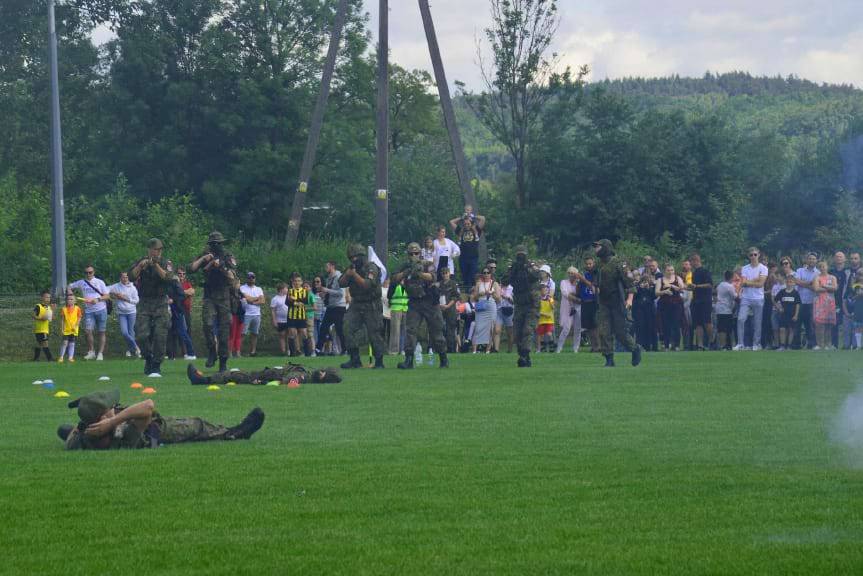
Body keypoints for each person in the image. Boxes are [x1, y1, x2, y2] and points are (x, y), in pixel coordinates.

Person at [59, 389, 264, 450]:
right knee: (196, 426)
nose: (114, 409)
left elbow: (73, 435)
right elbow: (148, 406)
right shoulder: (123, 436)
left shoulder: (80, 438)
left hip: (106, 427)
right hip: (152, 434)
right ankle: (235, 433)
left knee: (64, 429)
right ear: (102, 420)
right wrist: (112, 422)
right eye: (110, 409)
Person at [188, 231, 238, 372]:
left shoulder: (227, 256)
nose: (215, 246)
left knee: (224, 331)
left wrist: (221, 266)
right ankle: (211, 351)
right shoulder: (205, 254)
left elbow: (232, 275)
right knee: (208, 324)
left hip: (223, 296)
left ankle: (223, 362)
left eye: (218, 244)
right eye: (213, 244)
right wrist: (205, 258)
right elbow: (191, 268)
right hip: (209, 295)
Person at [393, 242, 448, 368]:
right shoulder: (404, 265)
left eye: (416, 253)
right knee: (410, 330)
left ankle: (443, 358)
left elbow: (433, 277)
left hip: (429, 301)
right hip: (414, 302)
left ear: (420, 253)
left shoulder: (426, 264)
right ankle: (409, 360)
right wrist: (405, 273)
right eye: (411, 253)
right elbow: (394, 278)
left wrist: (420, 273)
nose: (414, 255)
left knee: (436, 330)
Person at [592, 239, 641, 367]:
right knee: (604, 331)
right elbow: (596, 282)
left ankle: (635, 349)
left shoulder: (618, 263)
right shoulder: (598, 265)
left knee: (620, 332)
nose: (595, 249)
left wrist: (629, 300)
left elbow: (629, 283)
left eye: (598, 246)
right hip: (603, 302)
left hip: (617, 302)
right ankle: (609, 359)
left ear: (606, 248)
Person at [128, 238, 174, 377]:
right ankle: (148, 357)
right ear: (149, 250)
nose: (158, 252)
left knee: (160, 335)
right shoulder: (141, 261)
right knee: (141, 334)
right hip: (145, 302)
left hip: (160, 302)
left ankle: (156, 364)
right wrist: (141, 266)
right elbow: (130, 277)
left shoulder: (166, 263)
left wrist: (155, 265)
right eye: (155, 250)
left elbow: (168, 277)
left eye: (160, 250)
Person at [340, 244, 386, 369]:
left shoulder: (371, 268)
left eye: (355, 257)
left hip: (371, 304)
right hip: (357, 303)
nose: (353, 260)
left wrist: (354, 275)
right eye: (351, 258)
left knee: (374, 332)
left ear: (362, 256)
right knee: (347, 327)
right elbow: (341, 283)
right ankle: (354, 359)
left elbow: (367, 285)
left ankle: (379, 361)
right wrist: (348, 274)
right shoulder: (352, 268)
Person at [502, 245, 541, 367]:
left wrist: (526, 268)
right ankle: (524, 355)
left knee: (528, 330)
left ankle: (524, 354)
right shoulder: (514, 267)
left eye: (522, 254)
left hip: (531, 303)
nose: (520, 257)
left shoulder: (530, 265)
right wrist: (513, 271)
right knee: (517, 332)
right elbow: (504, 281)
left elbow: (536, 275)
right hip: (519, 303)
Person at [69, 265, 109, 360]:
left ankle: (100, 353)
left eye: (90, 272)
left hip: (101, 309)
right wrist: (71, 295)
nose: (88, 274)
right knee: (88, 331)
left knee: (101, 332)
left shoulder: (99, 282)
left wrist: (98, 299)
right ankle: (91, 352)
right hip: (88, 311)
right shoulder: (81, 282)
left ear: (93, 272)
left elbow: (107, 296)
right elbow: (69, 286)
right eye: (86, 272)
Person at [188, 362, 342, 386]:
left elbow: (288, 379)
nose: (321, 371)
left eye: (323, 372)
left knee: (233, 374)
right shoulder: (308, 374)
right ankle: (203, 378)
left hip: (263, 377)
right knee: (234, 373)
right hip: (265, 375)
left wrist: (263, 383)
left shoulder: (304, 376)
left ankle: (202, 380)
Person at [734, 247, 768, 351]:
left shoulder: (764, 268)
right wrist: (755, 280)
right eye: (751, 255)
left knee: (757, 322)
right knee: (740, 319)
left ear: (759, 255)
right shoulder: (745, 268)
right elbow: (744, 283)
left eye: (755, 254)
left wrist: (749, 282)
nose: (753, 256)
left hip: (758, 298)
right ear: (748, 256)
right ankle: (740, 343)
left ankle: (756, 344)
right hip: (746, 297)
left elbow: (760, 284)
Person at [316, 261, 347, 356]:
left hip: (339, 306)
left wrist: (327, 290)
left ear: (332, 266)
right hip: (331, 306)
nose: (325, 268)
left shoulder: (339, 277)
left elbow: (341, 293)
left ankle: (345, 349)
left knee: (339, 329)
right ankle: (318, 349)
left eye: (327, 266)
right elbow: (331, 292)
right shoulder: (329, 278)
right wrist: (324, 295)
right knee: (324, 327)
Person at [109, 271, 140, 358]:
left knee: (131, 332)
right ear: (120, 278)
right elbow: (106, 289)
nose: (125, 279)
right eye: (123, 277)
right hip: (121, 313)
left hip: (131, 312)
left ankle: (130, 350)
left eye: (126, 277)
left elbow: (136, 301)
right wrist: (114, 295)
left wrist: (126, 299)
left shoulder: (132, 288)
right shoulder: (116, 286)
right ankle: (136, 347)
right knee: (124, 332)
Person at [655, 264, 686, 351]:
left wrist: (671, 286)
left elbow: (682, 288)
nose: (670, 272)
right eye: (668, 270)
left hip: (676, 304)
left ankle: (676, 345)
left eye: (672, 270)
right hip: (664, 305)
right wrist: (665, 291)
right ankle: (666, 344)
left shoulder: (677, 278)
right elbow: (656, 292)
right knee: (666, 325)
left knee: (676, 324)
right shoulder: (660, 280)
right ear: (665, 271)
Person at [470, 266, 500, 354]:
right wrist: (481, 293)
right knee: (478, 327)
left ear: (491, 274)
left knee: (491, 328)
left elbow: (498, 299)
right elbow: (474, 297)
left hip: (491, 305)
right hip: (481, 305)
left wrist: (492, 293)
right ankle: (474, 350)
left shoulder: (495, 284)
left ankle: (488, 349)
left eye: (488, 273)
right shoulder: (479, 283)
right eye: (484, 273)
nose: (486, 274)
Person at [688, 253, 713, 351]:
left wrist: (697, 286)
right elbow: (694, 287)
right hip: (696, 300)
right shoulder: (694, 273)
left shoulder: (705, 271)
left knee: (707, 322)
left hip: (705, 300)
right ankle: (700, 345)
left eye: (691, 262)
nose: (691, 264)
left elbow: (710, 284)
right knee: (698, 323)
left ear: (696, 261)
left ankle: (712, 340)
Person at [794, 252, 819, 349]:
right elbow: (796, 281)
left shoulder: (818, 273)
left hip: (812, 302)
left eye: (813, 259)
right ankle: (796, 345)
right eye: (810, 258)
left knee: (810, 325)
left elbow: (815, 288)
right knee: (797, 325)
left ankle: (811, 344)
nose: (812, 260)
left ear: (816, 260)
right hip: (799, 302)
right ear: (806, 260)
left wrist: (803, 283)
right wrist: (810, 283)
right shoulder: (800, 270)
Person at [451, 215, 482, 291]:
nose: (467, 225)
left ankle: (472, 292)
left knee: (472, 276)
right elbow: (451, 222)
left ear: (471, 224)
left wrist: (473, 216)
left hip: (473, 257)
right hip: (463, 257)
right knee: (464, 276)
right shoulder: (461, 231)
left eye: (468, 223)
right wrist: (462, 217)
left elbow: (483, 219)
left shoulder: (475, 230)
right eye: (465, 224)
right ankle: (466, 294)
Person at [556, 267, 582, 353]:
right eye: (569, 273)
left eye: (573, 273)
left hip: (578, 307)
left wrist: (573, 295)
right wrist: (576, 298)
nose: (571, 275)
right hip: (567, 307)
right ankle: (559, 348)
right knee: (566, 328)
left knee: (578, 329)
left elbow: (580, 294)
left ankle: (576, 348)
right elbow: (565, 293)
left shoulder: (579, 284)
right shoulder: (564, 282)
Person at [812, 261, 837, 350]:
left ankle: (828, 344)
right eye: (820, 266)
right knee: (819, 324)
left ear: (827, 267)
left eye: (824, 266)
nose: (822, 268)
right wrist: (828, 288)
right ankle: (819, 344)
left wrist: (823, 286)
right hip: (819, 302)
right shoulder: (817, 277)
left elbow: (835, 288)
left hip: (829, 303)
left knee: (828, 325)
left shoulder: (832, 277)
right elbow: (816, 289)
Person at [239, 272, 265, 357]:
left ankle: (253, 352)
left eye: (253, 277)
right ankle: (238, 351)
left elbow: (263, 301)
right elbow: (247, 299)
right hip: (246, 314)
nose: (251, 279)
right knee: (243, 333)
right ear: (247, 278)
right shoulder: (242, 288)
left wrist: (252, 300)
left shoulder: (259, 289)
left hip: (257, 314)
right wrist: (257, 299)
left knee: (255, 333)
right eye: (250, 277)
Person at [830, 251, 851, 349]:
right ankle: (834, 345)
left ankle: (848, 345)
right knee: (834, 323)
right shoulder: (830, 272)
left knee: (847, 324)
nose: (839, 258)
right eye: (837, 256)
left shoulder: (849, 271)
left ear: (845, 259)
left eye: (841, 256)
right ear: (834, 259)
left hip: (846, 301)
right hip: (833, 301)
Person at [578, 257, 599, 352]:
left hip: (594, 303)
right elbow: (579, 289)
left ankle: (599, 346)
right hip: (585, 303)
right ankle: (593, 346)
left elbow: (594, 287)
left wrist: (583, 279)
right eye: (587, 264)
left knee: (595, 325)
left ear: (594, 263)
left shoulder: (597, 274)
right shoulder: (584, 274)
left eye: (590, 263)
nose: (588, 265)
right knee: (588, 326)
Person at [633, 270, 657, 351]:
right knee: (640, 327)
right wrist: (640, 288)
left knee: (650, 328)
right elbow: (634, 296)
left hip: (649, 310)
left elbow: (654, 296)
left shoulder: (652, 286)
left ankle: (650, 346)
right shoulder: (637, 286)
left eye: (647, 280)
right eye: (644, 280)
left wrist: (649, 288)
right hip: (639, 310)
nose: (645, 282)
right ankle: (639, 345)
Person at [438, 267, 460, 353]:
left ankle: (451, 349)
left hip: (450, 308)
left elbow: (456, 297)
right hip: (441, 308)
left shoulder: (453, 283)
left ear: (449, 273)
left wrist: (448, 306)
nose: (445, 275)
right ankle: (442, 349)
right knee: (441, 328)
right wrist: (440, 306)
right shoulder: (439, 284)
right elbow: (436, 296)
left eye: (446, 273)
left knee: (450, 329)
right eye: (443, 273)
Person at [775, 275, 800, 350]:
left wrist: (796, 315)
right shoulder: (782, 292)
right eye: (788, 282)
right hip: (783, 314)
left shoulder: (795, 293)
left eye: (791, 282)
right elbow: (775, 300)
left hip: (792, 314)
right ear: (786, 283)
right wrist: (779, 308)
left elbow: (798, 304)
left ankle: (789, 346)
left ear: (794, 283)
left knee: (791, 329)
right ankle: (782, 345)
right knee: (782, 329)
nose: (789, 283)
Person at [57, 293, 82, 362]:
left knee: (72, 343)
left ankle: (70, 357)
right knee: (65, 343)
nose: (69, 300)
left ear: (75, 301)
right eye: (68, 299)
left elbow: (79, 318)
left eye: (71, 299)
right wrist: (61, 328)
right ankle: (61, 357)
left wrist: (76, 326)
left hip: (73, 330)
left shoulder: (78, 309)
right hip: (66, 329)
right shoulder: (64, 309)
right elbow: (62, 320)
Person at [715, 271, 737, 350]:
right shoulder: (729, 286)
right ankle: (724, 345)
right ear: (731, 277)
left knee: (721, 327)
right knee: (726, 328)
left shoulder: (720, 285)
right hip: (726, 309)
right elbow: (735, 296)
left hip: (719, 308)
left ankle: (723, 345)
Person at [177, 267, 195, 356]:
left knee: (188, 330)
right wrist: (185, 292)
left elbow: (192, 291)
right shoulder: (176, 284)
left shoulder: (187, 283)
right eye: (180, 273)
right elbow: (177, 293)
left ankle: (189, 351)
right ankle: (184, 352)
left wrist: (182, 292)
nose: (182, 275)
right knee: (181, 331)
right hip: (179, 309)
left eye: (183, 274)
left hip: (187, 310)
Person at [32, 290, 54, 361]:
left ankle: (36, 359)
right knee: (45, 343)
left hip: (45, 329)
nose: (48, 299)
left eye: (49, 297)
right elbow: (33, 316)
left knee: (39, 344)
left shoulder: (49, 307)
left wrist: (53, 311)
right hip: (40, 329)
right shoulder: (38, 306)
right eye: (46, 297)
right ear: (42, 297)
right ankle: (50, 358)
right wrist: (41, 318)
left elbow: (51, 318)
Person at [388, 277, 408, 355]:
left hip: (405, 309)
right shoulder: (394, 285)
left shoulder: (406, 285)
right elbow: (389, 295)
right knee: (395, 331)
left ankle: (402, 349)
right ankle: (393, 350)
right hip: (396, 309)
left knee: (404, 331)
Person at [495, 281, 515, 353]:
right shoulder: (499, 288)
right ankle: (496, 349)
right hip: (499, 310)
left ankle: (510, 349)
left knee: (509, 332)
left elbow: (514, 302)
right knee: (497, 331)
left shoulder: (512, 288)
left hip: (509, 311)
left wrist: (508, 298)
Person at [270, 282, 290, 355]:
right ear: (281, 289)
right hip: (280, 320)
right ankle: (283, 351)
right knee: (282, 335)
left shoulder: (288, 297)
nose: (287, 289)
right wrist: (274, 321)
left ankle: (289, 351)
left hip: (289, 319)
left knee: (289, 335)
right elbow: (273, 311)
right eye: (286, 288)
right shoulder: (275, 299)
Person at [536, 284, 555, 353]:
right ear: (540, 291)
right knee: (540, 335)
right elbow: (536, 310)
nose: (545, 291)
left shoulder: (550, 298)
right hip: (541, 320)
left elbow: (553, 308)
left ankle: (551, 346)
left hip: (549, 320)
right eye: (544, 290)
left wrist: (551, 302)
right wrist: (543, 314)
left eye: (547, 290)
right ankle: (539, 348)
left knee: (549, 334)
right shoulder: (538, 299)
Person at [852, 273, 863, 350]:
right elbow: (858, 294)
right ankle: (859, 346)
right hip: (859, 308)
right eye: (860, 275)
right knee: (858, 327)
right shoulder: (856, 285)